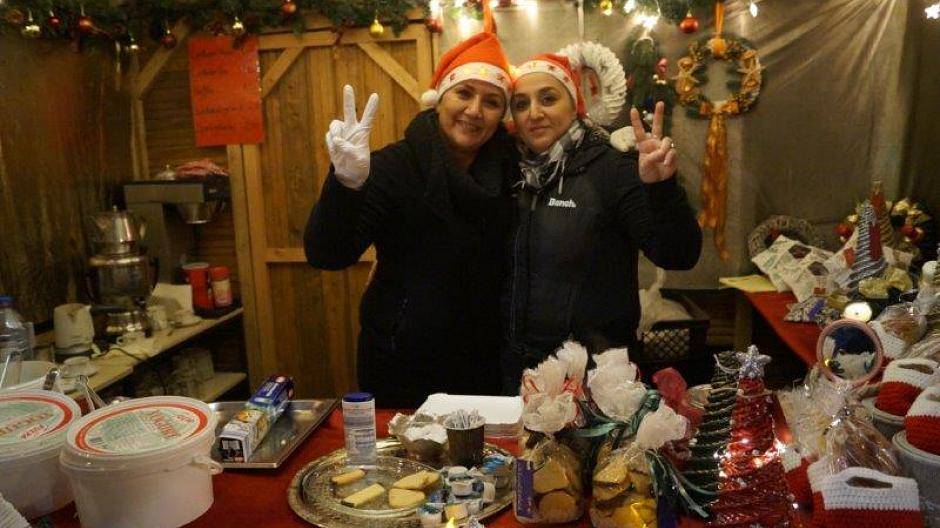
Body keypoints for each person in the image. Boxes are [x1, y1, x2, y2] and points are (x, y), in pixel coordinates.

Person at [304, 16, 516, 408]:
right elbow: (327, 254)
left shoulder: (511, 171)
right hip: (401, 365)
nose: (474, 111)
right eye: (464, 93)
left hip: (483, 367)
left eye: (491, 102)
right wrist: (345, 185)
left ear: (502, 115)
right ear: (440, 99)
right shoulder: (393, 167)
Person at [501, 53, 703, 390]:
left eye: (548, 99)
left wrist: (662, 190)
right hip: (524, 372)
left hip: (597, 378)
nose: (533, 113)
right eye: (521, 104)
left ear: (575, 105)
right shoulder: (510, 172)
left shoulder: (612, 167)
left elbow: (678, 255)